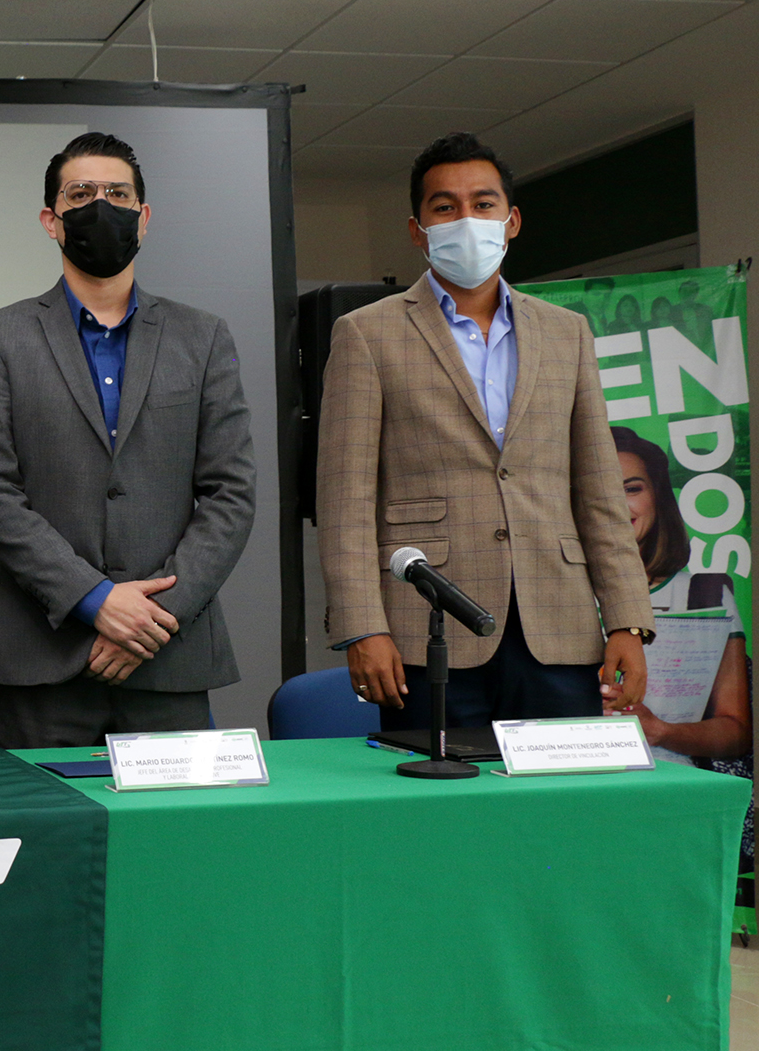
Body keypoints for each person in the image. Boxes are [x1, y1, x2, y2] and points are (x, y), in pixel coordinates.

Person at [317, 132, 652, 728]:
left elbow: (599, 488)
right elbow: (345, 499)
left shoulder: (567, 332)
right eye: (445, 207)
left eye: (483, 203)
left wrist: (627, 618)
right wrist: (362, 625)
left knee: (563, 786)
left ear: (511, 221)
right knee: (441, 788)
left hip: (560, 623)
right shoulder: (366, 333)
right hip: (427, 628)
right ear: (418, 229)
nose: (466, 219)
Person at [0, 131, 255, 746]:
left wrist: (153, 618)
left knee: (175, 816)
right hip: (42, 658)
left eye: (118, 194)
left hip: (168, 655)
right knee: (42, 814)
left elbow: (231, 494)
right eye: (81, 194)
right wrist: (94, 600)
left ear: (143, 218)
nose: (102, 205)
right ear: (52, 220)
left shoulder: (202, 337)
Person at [610, 426, 750, 764]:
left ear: (658, 496)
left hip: (673, 783)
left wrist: (659, 730)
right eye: (599, 490)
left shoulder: (706, 596)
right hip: (569, 783)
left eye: (631, 488)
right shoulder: (545, 599)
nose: (615, 504)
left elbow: (736, 733)